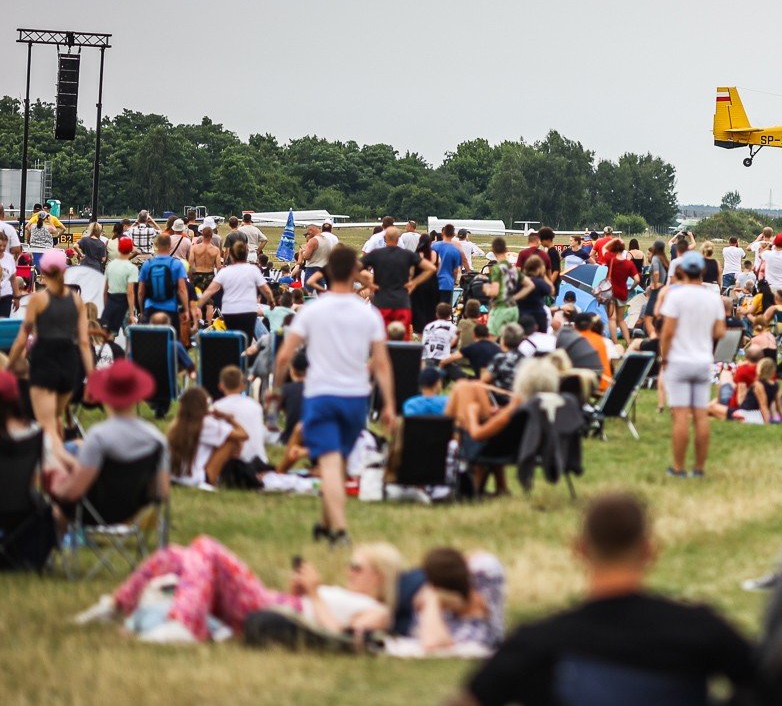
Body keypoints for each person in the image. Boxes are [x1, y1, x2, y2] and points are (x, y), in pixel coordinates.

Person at [453, 492, 755, 706]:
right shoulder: (701, 631)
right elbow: (775, 687)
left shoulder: (538, 643)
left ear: (579, 550)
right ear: (650, 550)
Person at [275, 244, 395, 544]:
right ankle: (325, 524)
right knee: (338, 462)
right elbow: (381, 362)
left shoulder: (314, 309)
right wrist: (390, 404)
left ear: (328, 272)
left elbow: (283, 356)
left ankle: (339, 531)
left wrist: (276, 390)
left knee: (329, 463)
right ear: (355, 272)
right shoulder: (369, 314)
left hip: (321, 394)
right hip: (356, 398)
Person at [82, 536, 403, 644]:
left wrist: (315, 595)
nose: (349, 570)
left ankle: (183, 624)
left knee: (206, 546)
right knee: (174, 556)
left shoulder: (380, 611)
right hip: (276, 604)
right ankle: (115, 605)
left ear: (379, 578)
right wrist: (303, 593)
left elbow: (344, 637)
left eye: (357, 567)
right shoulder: (351, 595)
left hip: (270, 609)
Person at [50, 360, 169, 507]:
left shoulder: (98, 437)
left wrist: (57, 487)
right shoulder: (156, 439)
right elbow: (162, 492)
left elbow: (74, 491)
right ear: (138, 396)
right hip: (137, 515)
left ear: (106, 396)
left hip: (98, 512)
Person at [7, 248, 92, 448]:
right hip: (70, 364)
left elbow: (22, 339)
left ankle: (60, 466)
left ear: (43, 272)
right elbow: (85, 342)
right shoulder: (77, 301)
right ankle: (60, 458)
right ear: (64, 271)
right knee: (55, 418)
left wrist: (8, 367)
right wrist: (92, 376)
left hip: (44, 361)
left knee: (45, 425)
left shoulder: (38, 300)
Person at [658, 252, 724, 478]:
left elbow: (667, 332)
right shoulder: (713, 297)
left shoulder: (676, 296)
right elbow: (719, 331)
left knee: (680, 414)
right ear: (703, 272)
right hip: (702, 359)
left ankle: (678, 467)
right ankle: (699, 468)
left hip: (678, 359)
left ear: (683, 271)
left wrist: (664, 358)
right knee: (701, 415)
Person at [406, 547, 507, 655]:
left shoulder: (475, 631)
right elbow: (431, 642)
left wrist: (432, 600)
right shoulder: (488, 578)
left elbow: (432, 642)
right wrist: (434, 600)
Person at [363, 226, 436, 338]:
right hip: (401, 302)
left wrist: (368, 283)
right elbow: (431, 268)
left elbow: (353, 268)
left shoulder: (376, 254)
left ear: (385, 238)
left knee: (381, 338)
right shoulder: (407, 254)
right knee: (402, 338)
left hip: (381, 302)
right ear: (398, 238)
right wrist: (414, 282)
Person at [168, 386, 248, 488]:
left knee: (217, 441)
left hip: (175, 476)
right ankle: (223, 478)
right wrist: (227, 418)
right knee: (231, 442)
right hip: (196, 478)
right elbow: (243, 435)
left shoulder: (177, 425)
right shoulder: (206, 423)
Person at [195, 240, 274, 342]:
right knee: (246, 339)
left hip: (229, 311)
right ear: (246, 255)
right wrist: (271, 302)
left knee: (233, 339)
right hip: (248, 310)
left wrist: (197, 306)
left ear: (231, 256)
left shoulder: (225, 272)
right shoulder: (253, 270)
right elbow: (266, 290)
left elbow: (209, 291)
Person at [135, 233, 193, 343]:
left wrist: (142, 310)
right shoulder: (176, 264)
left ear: (156, 245)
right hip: (170, 307)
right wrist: (185, 309)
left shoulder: (148, 264)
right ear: (170, 245)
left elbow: (141, 291)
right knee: (172, 341)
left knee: (150, 342)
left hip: (150, 307)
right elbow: (182, 289)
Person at [212, 364, 269, 469]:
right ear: (243, 385)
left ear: (221, 385)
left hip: (235, 464)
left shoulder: (217, 408)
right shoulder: (256, 406)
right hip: (260, 462)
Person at [102, 236, 138, 337]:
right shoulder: (132, 268)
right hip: (125, 302)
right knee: (129, 335)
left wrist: (106, 307)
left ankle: (110, 352)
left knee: (111, 335)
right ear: (131, 249)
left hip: (112, 301)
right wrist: (131, 313)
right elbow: (130, 292)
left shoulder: (110, 265)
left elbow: (104, 290)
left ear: (119, 248)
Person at [432, 225, 465, 302]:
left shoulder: (434, 246)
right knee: (444, 309)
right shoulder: (455, 250)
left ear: (443, 233)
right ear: (453, 234)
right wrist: (454, 281)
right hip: (447, 283)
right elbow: (456, 270)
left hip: (434, 282)